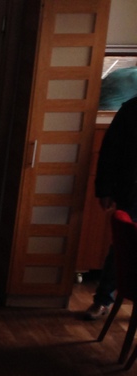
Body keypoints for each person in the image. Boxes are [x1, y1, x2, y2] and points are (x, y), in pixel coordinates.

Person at [84, 92, 137, 319]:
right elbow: (110, 151)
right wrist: (104, 189)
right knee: (124, 245)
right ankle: (103, 299)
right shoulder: (132, 109)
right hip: (133, 189)